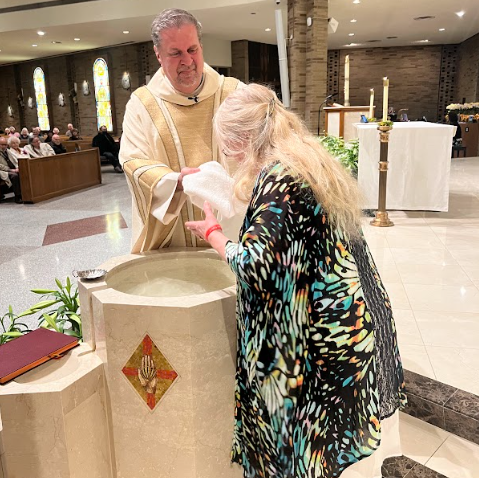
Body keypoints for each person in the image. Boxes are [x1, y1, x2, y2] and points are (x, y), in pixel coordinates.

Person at [185, 84, 407, 478]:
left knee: (301, 455)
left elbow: (254, 265)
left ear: (243, 139)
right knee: (332, 456)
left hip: (317, 345)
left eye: (225, 144)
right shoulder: (303, 157)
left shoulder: (279, 177)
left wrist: (213, 233)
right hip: (348, 324)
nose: (225, 154)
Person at [119, 8, 241, 253]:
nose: (187, 61)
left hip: (233, 233)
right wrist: (176, 182)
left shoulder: (235, 93)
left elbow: (267, 148)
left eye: (192, 50)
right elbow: (133, 161)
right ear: (158, 54)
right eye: (175, 53)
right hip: (173, 238)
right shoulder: (142, 104)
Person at [0, 137, 23, 203]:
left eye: (5, 144)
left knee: (23, 172)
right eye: (2, 145)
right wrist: (10, 170)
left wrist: (17, 167)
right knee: (14, 176)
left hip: (12, 169)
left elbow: (14, 160)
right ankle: (18, 197)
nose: (4, 146)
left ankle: (25, 194)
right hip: (3, 171)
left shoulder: (7, 151)